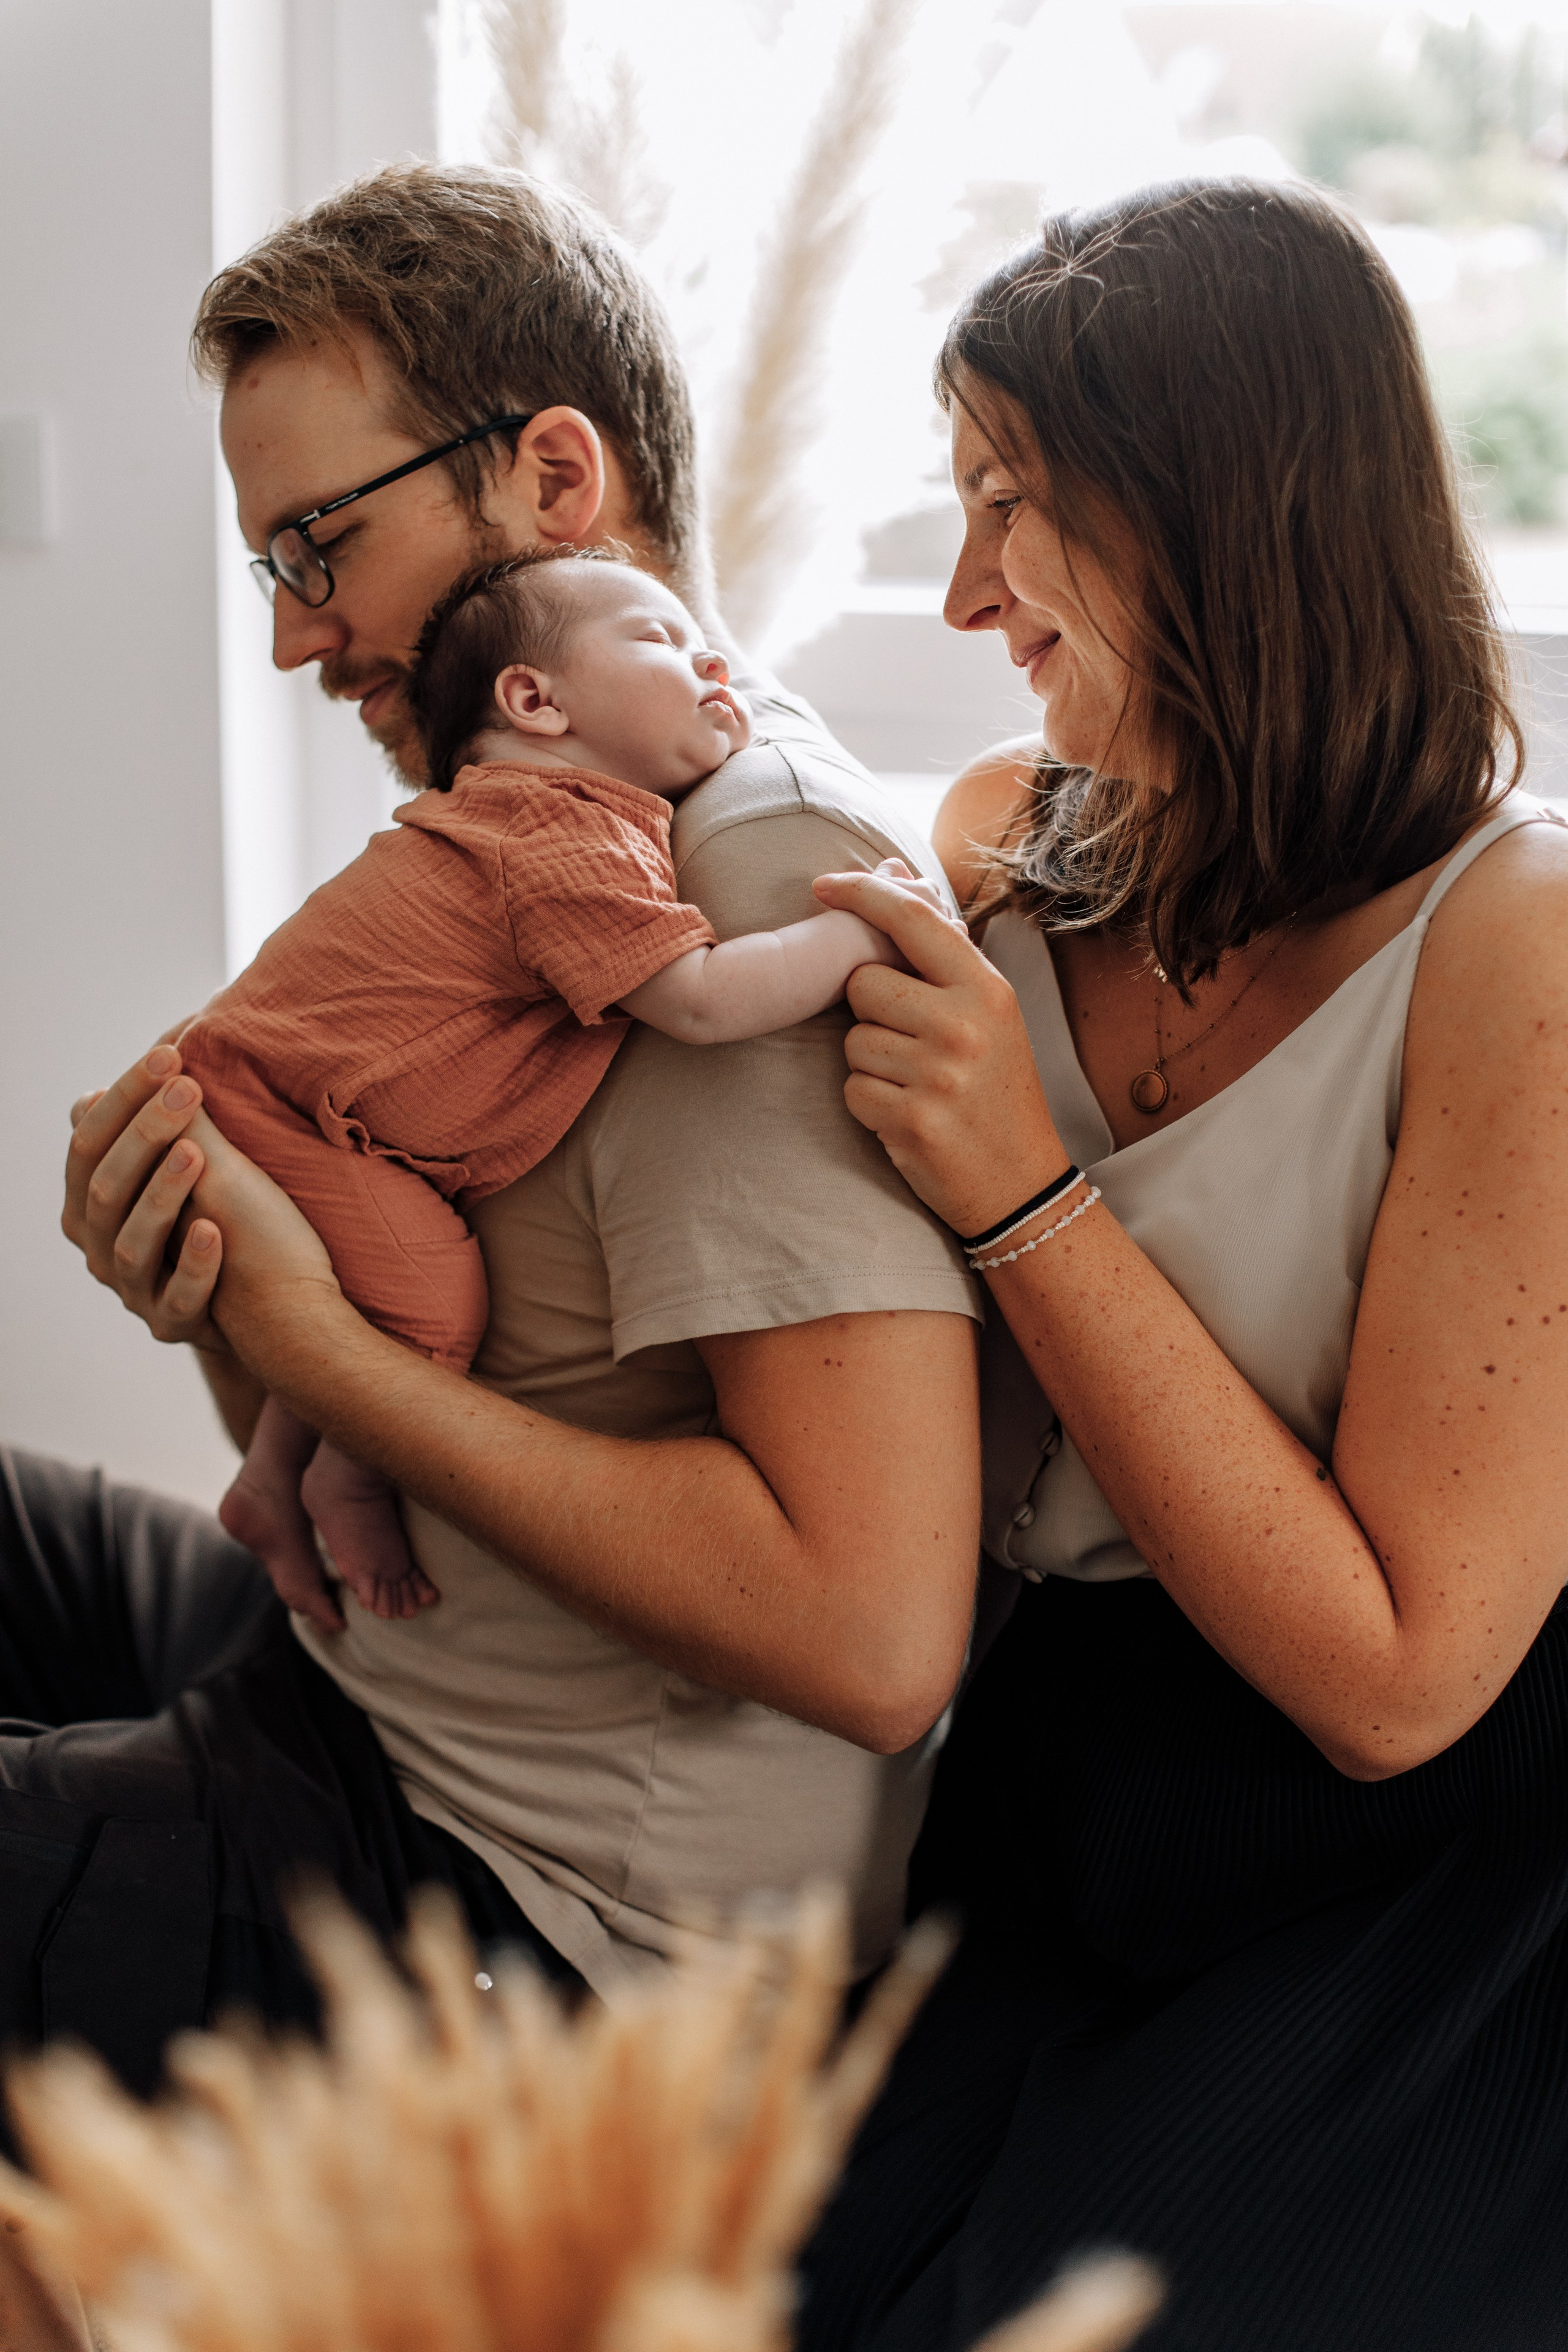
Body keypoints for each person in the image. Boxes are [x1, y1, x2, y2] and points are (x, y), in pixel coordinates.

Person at [15, 163, 981, 2095]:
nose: (298, 639)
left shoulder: (745, 869)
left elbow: (875, 1634)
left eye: (318, 546)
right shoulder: (538, 821)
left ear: (553, 477)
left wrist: (294, 1343)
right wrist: (219, 1294)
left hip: (518, 1903)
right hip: (370, 1672)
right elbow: (382, 1399)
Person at [794, 176, 1568, 2352]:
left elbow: (1404, 1682)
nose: (962, 595)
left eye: (1010, 507)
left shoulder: (1516, 943)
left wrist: (1025, 1196)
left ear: (1220, 509)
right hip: (1051, 1777)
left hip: (1405, 1865)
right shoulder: (1005, 859)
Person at [190, 546, 936, 1624]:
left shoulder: (539, 820)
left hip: (269, 1093)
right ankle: (335, 1473)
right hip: (279, 1110)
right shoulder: (558, 830)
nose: (716, 670)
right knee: (434, 1311)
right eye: (663, 645)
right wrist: (860, 926)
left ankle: (270, 1477)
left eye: (710, 649)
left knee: (351, 1291)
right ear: (535, 701)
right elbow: (703, 1000)